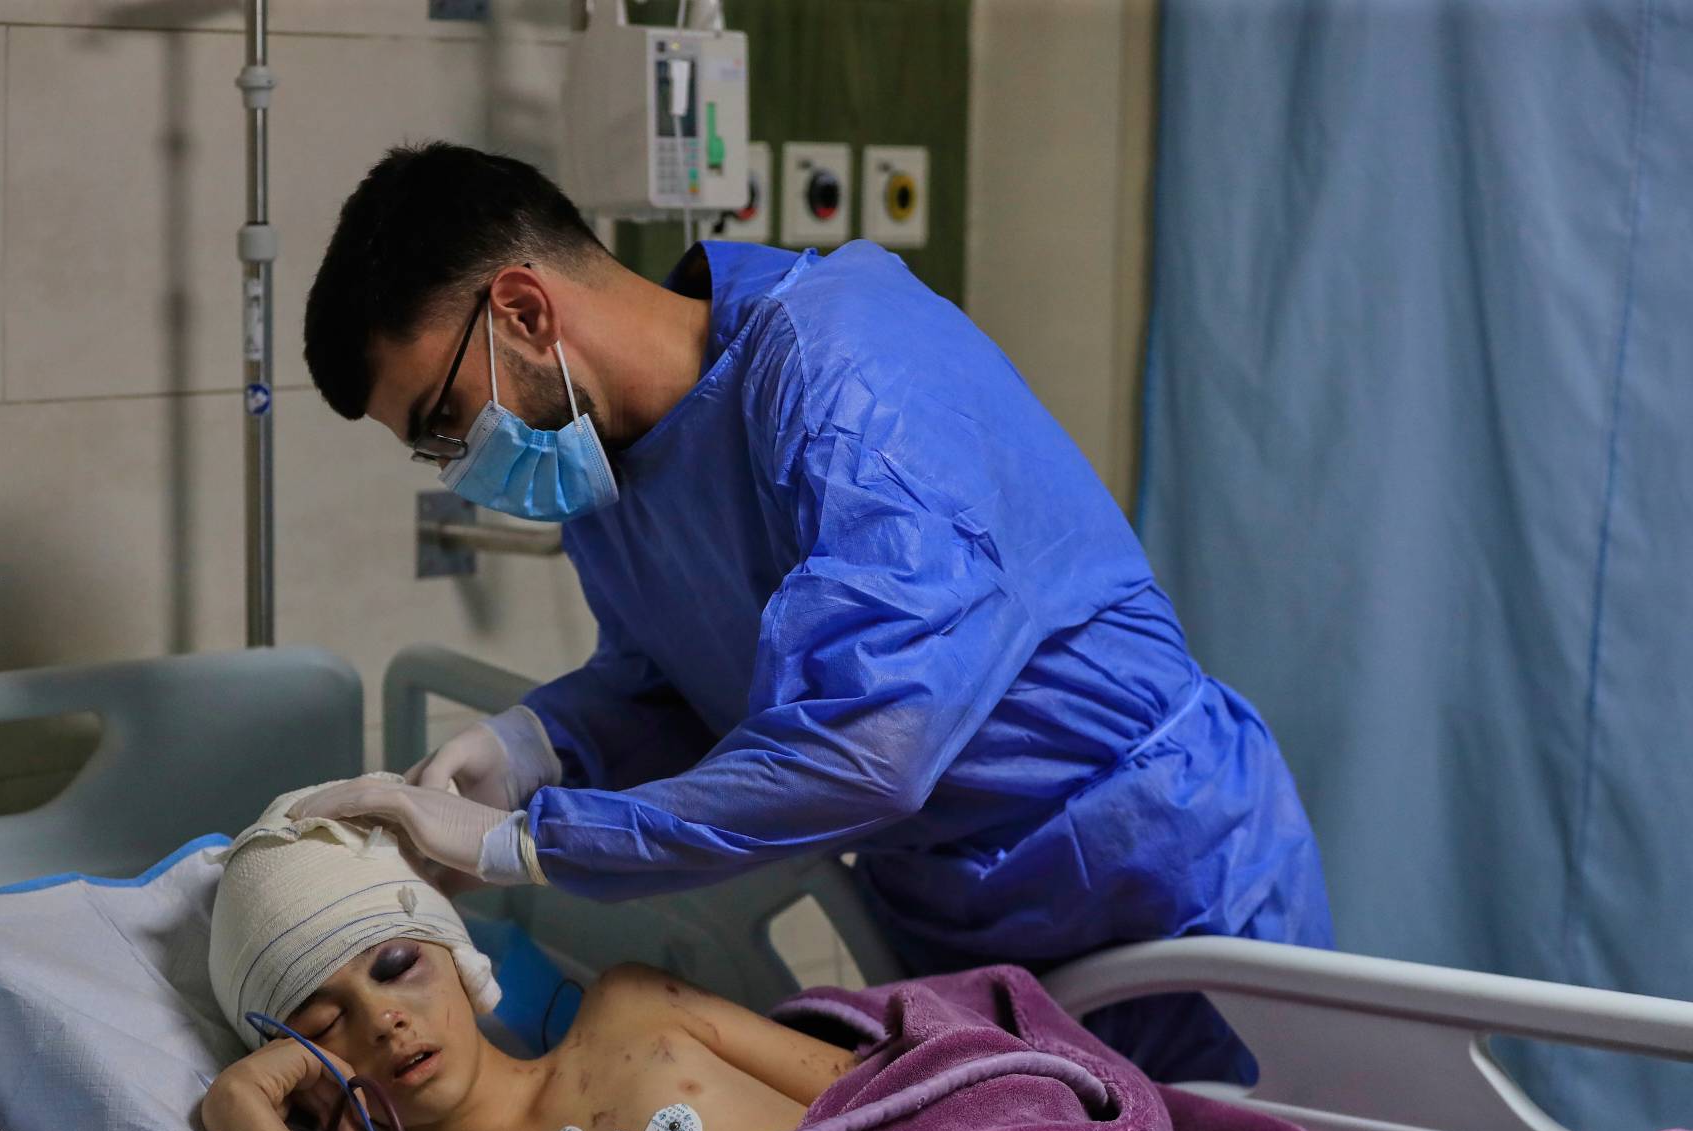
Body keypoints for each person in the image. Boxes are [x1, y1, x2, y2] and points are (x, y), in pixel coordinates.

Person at [294, 142, 1334, 1081]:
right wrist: (533, 744)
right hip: (957, 929)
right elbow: (677, 682)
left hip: (1156, 887)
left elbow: (871, 741)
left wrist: (529, 844)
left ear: (523, 311)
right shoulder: (603, 480)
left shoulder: (844, 370)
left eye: (446, 419)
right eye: (433, 450)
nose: (460, 466)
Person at [199, 784, 853, 1131]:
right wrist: (237, 1104)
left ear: (459, 958)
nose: (382, 1019)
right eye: (323, 1024)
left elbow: (890, 1099)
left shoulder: (636, 1011)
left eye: (397, 966)